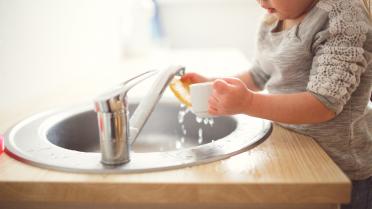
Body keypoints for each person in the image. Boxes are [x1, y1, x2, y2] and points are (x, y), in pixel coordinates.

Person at [181, 0, 372, 208]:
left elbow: (323, 104)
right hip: (294, 151)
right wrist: (215, 84)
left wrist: (248, 102)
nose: (261, 2)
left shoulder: (343, 18)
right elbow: (259, 74)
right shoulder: (274, 17)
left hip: (339, 168)